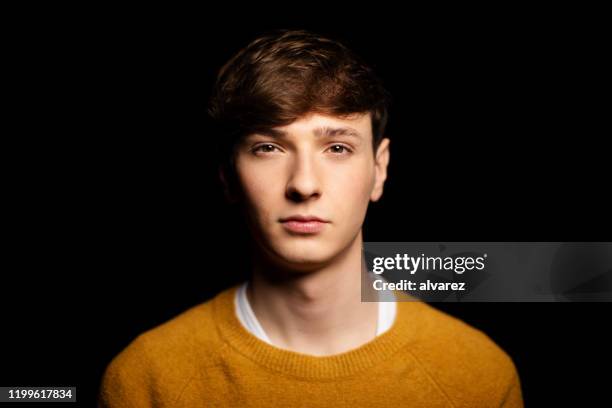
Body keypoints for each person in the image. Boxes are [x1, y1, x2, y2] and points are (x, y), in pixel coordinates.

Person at [98, 29, 523, 407]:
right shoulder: (147, 379)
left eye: (337, 148)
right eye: (268, 147)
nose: (303, 184)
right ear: (228, 176)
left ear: (380, 169)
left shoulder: (478, 375)